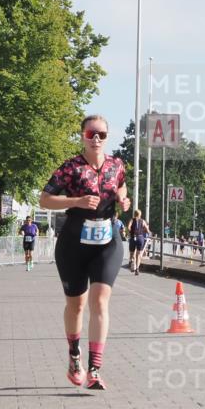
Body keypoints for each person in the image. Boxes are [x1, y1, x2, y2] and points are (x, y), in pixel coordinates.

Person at [39, 115, 129, 390]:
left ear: (107, 136)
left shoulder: (116, 165)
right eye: (92, 134)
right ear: (83, 136)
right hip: (74, 241)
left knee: (100, 301)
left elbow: (122, 187)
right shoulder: (71, 168)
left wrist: (124, 200)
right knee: (76, 305)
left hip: (107, 240)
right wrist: (76, 200)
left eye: (102, 134)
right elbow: (44, 198)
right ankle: (74, 355)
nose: (97, 139)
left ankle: (95, 369)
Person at [129, 210, 150, 275]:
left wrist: (131, 231)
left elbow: (129, 227)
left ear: (134, 214)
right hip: (140, 238)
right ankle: (137, 269)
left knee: (132, 253)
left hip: (133, 237)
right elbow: (147, 230)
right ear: (140, 214)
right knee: (138, 254)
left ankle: (132, 261)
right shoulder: (143, 221)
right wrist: (145, 231)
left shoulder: (132, 220)